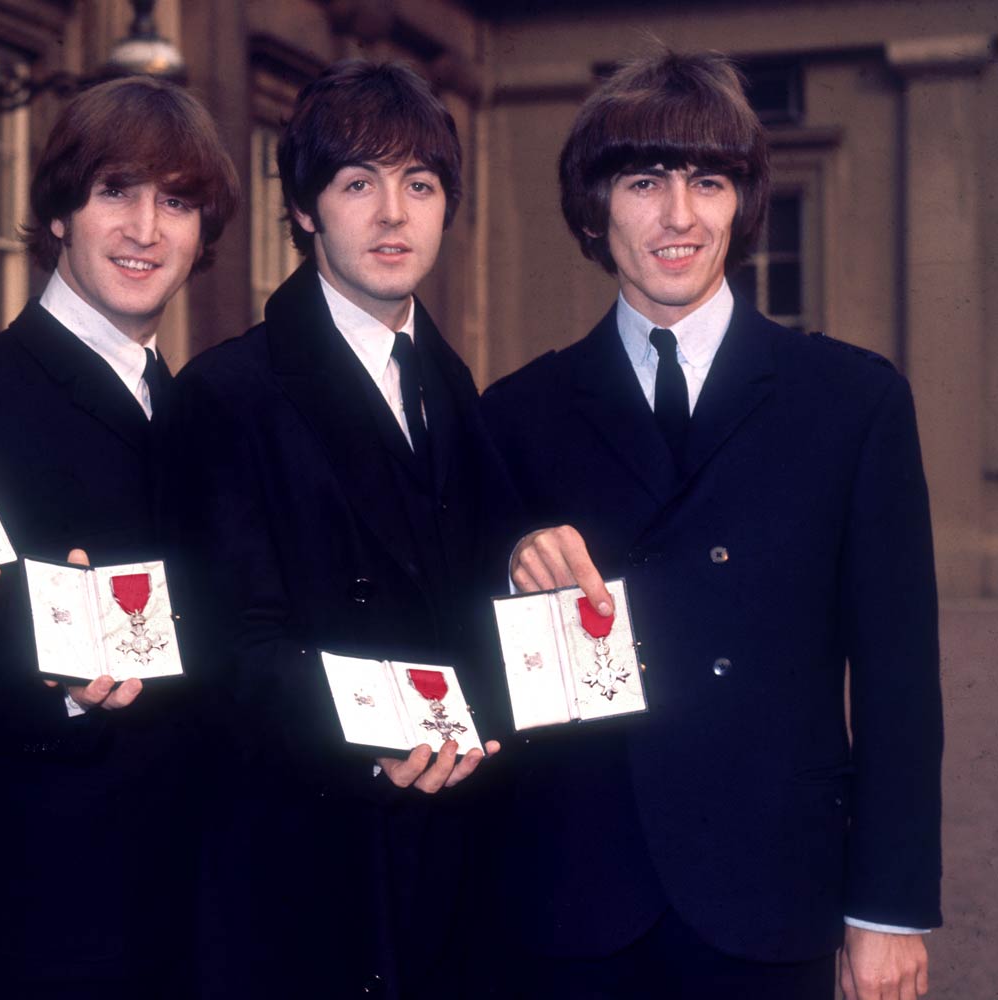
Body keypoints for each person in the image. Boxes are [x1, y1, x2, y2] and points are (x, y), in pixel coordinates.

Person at [480, 50, 942, 1000]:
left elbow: (900, 680)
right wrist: (509, 560)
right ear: (594, 207)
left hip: (772, 892)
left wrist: (886, 910)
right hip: (577, 896)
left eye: (709, 181)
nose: (679, 217)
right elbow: (477, 649)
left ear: (742, 200)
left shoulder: (851, 402)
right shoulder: (518, 413)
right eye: (645, 182)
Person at [164, 60, 581, 999]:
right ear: (306, 210)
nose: (394, 215)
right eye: (360, 183)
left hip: (452, 858)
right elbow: (233, 654)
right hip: (309, 868)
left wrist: (521, 555)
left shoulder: (449, 382)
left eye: (420, 185)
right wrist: (384, 728)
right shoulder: (230, 394)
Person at [0, 76, 239, 1000]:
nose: (145, 230)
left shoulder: (205, 408)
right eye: (115, 191)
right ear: (57, 213)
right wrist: (62, 684)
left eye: (177, 202)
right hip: (56, 905)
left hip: (205, 899)